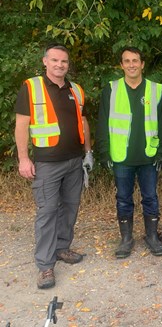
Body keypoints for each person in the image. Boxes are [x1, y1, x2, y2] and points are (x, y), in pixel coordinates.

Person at [14, 44, 94, 289]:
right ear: (45, 62)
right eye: (55, 60)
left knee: (70, 208)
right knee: (47, 212)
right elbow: (21, 125)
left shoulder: (76, 90)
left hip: (74, 161)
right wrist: (24, 159)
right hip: (47, 163)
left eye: (64, 62)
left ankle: (62, 248)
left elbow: (84, 121)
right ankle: (45, 265)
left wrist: (88, 152)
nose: (60, 65)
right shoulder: (31, 87)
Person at [96, 47, 162, 259]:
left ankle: (152, 237)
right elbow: (102, 124)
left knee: (151, 198)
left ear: (142, 64)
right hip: (121, 157)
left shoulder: (156, 90)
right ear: (121, 65)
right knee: (123, 199)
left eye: (135, 60)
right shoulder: (110, 90)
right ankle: (126, 240)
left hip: (149, 156)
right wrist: (103, 152)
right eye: (127, 61)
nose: (131, 65)